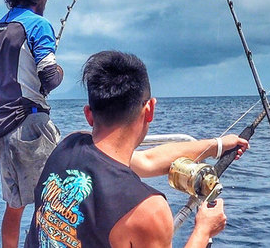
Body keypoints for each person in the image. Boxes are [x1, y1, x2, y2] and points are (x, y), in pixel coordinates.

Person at [24, 51, 249, 247]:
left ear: (89, 115)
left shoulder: (68, 144)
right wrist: (204, 230)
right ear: (149, 110)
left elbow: (148, 160)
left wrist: (216, 146)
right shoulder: (149, 210)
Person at [0, 0, 63, 247]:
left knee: (14, 207)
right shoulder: (38, 25)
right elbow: (49, 77)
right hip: (30, 126)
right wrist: (59, 69)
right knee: (53, 199)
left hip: (1, 130)